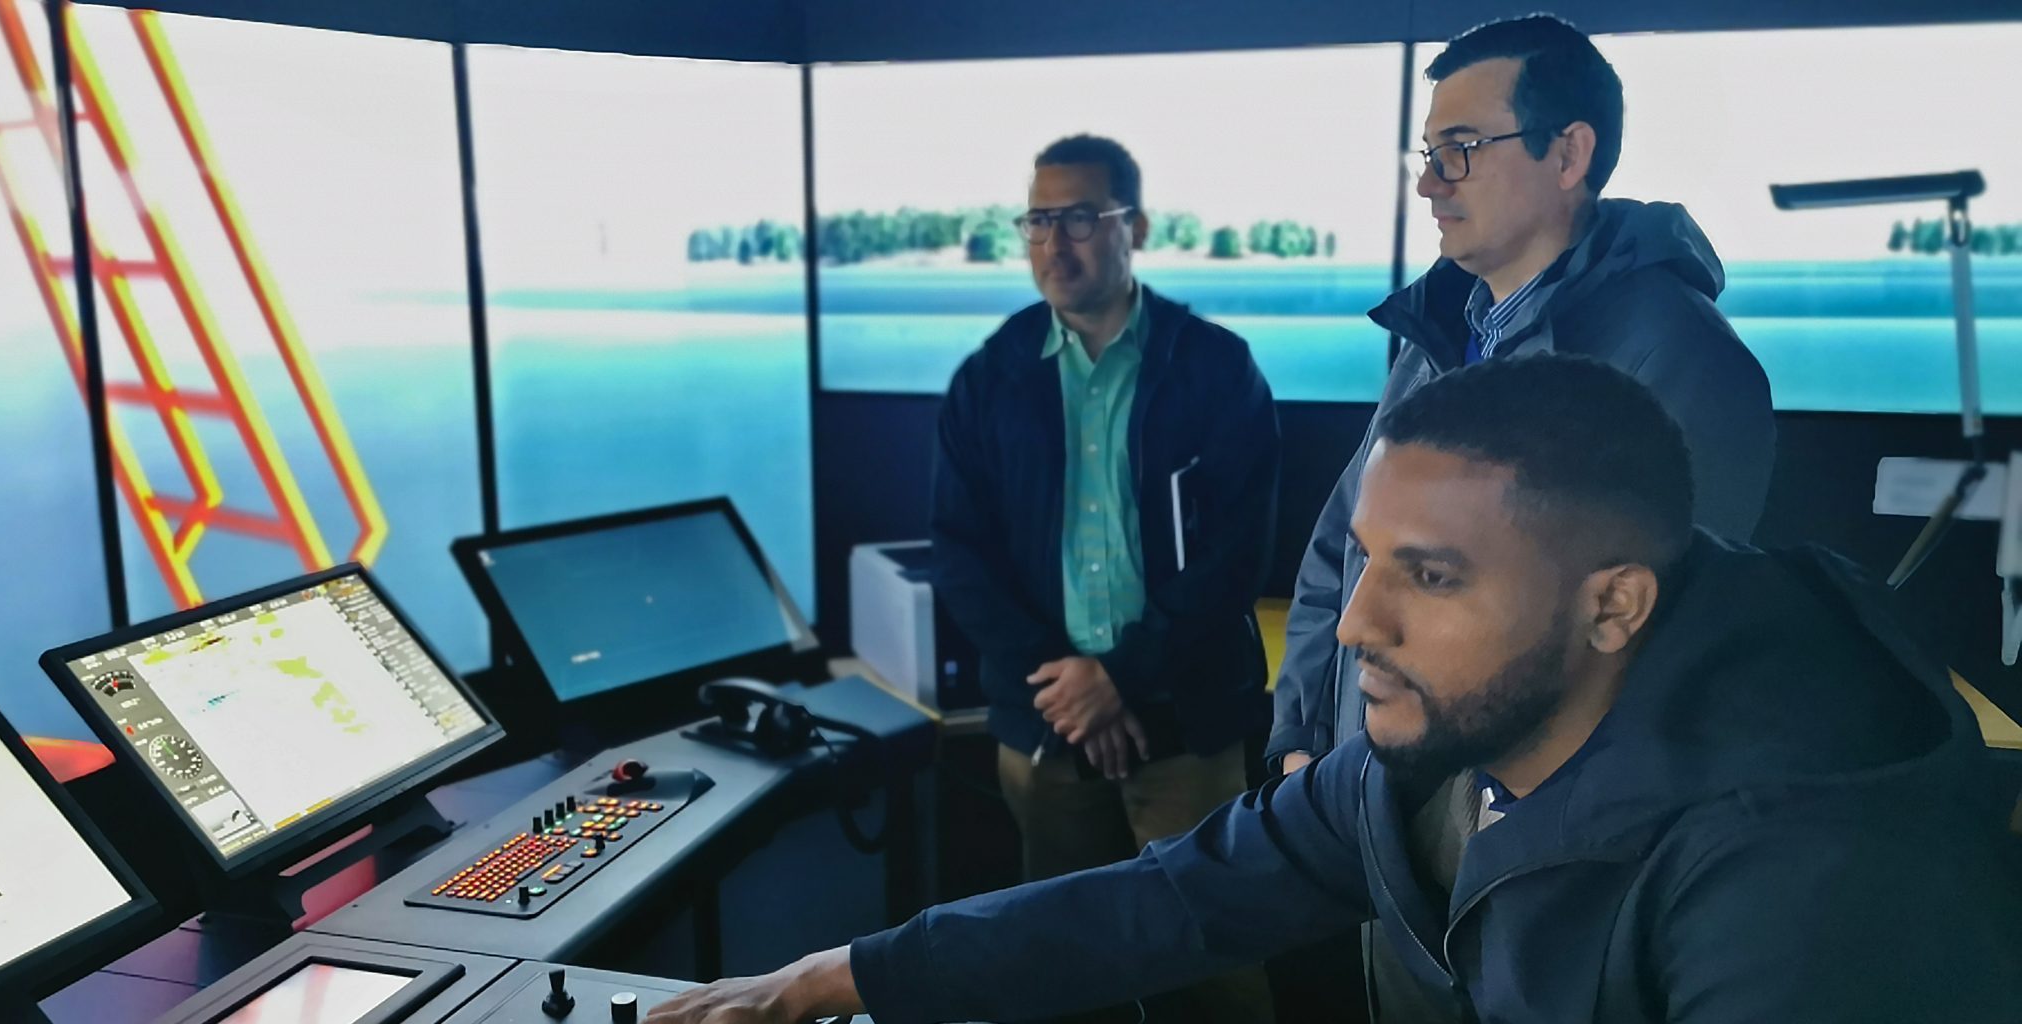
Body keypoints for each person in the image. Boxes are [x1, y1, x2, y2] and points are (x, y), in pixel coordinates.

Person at [645, 355, 2021, 1024]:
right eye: (1362, 562)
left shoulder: (1819, 879)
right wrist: (841, 976)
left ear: (1612, 605)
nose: (1355, 626)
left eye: (1428, 577)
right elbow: (1181, 896)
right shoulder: (1449, 728)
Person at [1266, 19, 1776, 1013]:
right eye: (1426, 154)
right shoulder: (1440, 336)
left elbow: (1643, 656)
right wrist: (1301, 735)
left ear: (1568, 154)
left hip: (1524, 865)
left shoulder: (1678, 361)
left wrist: (1484, 825)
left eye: (1460, 149)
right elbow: (1340, 550)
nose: (1428, 184)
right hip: (1380, 814)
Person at [928, 134, 1279, 1021]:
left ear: (1137, 226)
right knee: (1054, 968)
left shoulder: (1215, 368)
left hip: (1187, 722)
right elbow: (959, 553)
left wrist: (1119, 676)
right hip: (1048, 729)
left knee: (1212, 961)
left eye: (1081, 217)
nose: (1056, 241)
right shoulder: (989, 377)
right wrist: (1067, 686)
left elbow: (1238, 555)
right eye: (1039, 219)